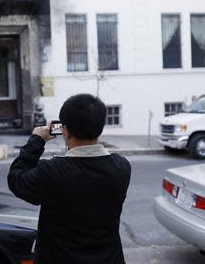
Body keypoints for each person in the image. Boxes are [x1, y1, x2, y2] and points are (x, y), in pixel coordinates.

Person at [7, 94, 131, 264]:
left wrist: (36, 140)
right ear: (100, 127)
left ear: (65, 131)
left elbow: (16, 179)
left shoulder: (52, 172)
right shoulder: (122, 167)